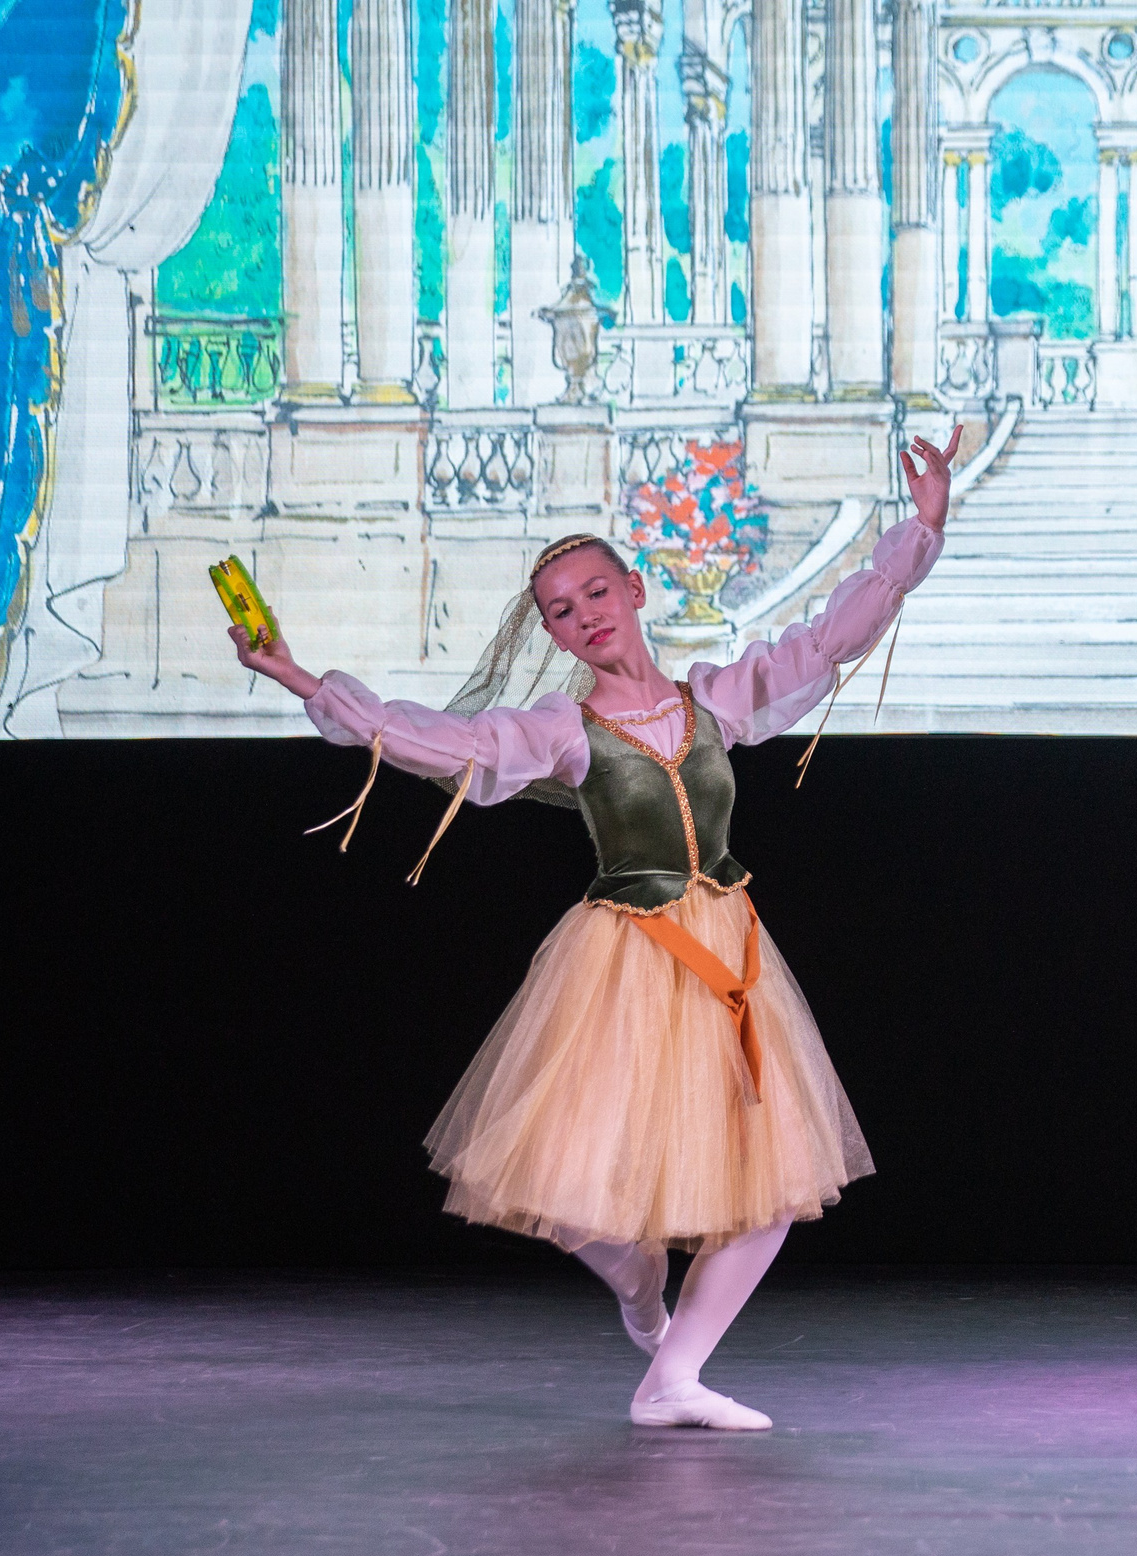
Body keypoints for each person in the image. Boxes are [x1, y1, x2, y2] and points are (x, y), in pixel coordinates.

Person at [229, 430, 963, 1431]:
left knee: (776, 1185)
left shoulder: (716, 700)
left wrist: (920, 528)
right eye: (561, 613)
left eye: (595, 595)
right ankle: (639, 1292)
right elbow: (443, 742)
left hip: (732, 954)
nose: (582, 618)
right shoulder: (562, 730)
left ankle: (673, 1378)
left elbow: (827, 641)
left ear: (634, 592)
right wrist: (305, 681)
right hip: (628, 956)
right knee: (575, 1185)